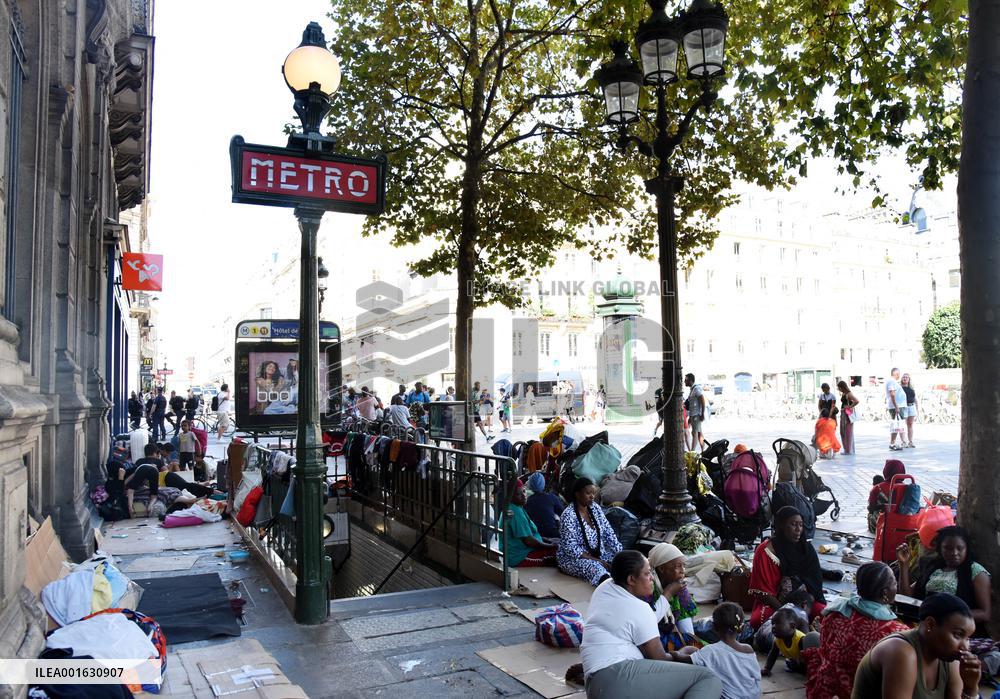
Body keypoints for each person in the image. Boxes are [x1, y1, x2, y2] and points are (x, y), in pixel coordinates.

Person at [579, 550, 722, 698]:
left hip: (595, 684)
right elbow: (659, 658)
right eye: (647, 574)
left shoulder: (605, 588)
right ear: (631, 579)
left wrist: (667, 595)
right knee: (708, 678)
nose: (652, 578)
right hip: (619, 678)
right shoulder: (639, 608)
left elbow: (644, 623)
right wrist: (680, 654)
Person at [804, 561, 910, 699]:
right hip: (857, 693)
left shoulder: (835, 613)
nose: (896, 588)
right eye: (895, 583)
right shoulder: (895, 633)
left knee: (811, 638)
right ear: (885, 592)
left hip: (826, 689)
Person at [851, 592, 981, 699]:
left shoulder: (949, 658)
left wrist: (971, 687)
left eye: (968, 638)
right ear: (930, 624)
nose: (965, 646)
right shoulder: (900, 652)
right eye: (958, 635)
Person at [897, 526, 992, 633]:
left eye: (960, 548)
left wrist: (947, 617)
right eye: (948, 548)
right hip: (927, 627)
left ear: (966, 548)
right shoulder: (933, 568)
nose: (954, 552)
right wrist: (903, 565)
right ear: (940, 549)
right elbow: (907, 596)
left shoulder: (975, 571)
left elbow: (985, 613)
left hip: (958, 631)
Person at [749, 506, 826, 629]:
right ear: (781, 526)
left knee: (826, 615)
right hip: (775, 603)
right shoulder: (765, 551)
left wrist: (804, 607)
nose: (798, 530)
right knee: (759, 621)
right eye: (793, 524)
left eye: (801, 525)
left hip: (804, 601)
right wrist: (786, 611)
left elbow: (814, 583)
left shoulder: (806, 549)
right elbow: (762, 592)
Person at [668, 603, 761, 699]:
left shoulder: (711, 651)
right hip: (752, 695)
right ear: (741, 628)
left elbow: (685, 659)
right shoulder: (748, 649)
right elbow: (756, 676)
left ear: (713, 627)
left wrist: (675, 654)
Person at [557, 478, 622, 586]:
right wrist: (599, 561)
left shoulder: (595, 508)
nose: (592, 496)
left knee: (622, 562)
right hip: (574, 559)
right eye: (588, 493)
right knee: (595, 568)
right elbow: (571, 549)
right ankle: (609, 588)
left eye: (594, 493)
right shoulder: (568, 515)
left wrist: (620, 554)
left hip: (598, 555)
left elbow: (608, 532)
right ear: (577, 494)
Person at [646, 543, 701, 651]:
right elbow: (650, 623)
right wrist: (669, 592)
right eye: (677, 566)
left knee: (694, 643)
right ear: (661, 569)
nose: (682, 570)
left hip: (673, 629)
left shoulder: (679, 587)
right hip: (655, 637)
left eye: (683, 566)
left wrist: (690, 641)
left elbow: (684, 618)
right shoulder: (649, 590)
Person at [499, 480, 558, 567]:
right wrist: (550, 546)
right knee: (561, 555)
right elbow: (529, 541)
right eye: (518, 494)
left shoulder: (517, 507)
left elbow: (530, 534)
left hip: (525, 550)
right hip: (518, 557)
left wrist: (548, 540)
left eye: (523, 491)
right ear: (510, 496)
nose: (524, 496)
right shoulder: (514, 511)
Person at [761, 607, 819, 675]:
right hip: (795, 659)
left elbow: (809, 658)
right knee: (791, 663)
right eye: (772, 623)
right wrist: (767, 668)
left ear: (792, 626)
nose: (773, 627)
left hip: (807, 661)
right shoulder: (778, 640)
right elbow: (773, 655)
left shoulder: (800, 640)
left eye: (777, 623)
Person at [867, 459, 907, 532]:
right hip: (902, 525)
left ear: (886, 471)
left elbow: (871, 508)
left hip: (881, 527)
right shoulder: (908, 488)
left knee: (871, 514)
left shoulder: (877, 488)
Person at [523, 472, 564, 539]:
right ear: (544, 484)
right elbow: (563, 513)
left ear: (530, 485)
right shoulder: (552, 497)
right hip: (553, 533)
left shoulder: (527, 501)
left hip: (536, 534)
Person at [885, 367, 907, 451]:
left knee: (897, 426)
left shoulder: (893, 381)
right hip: (896, 407)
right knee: (896, 425)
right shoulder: (891, 381)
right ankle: (892, 443)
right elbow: (892, 394)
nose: (899, 375)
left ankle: (893, 443)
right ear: (896, 374)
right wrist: (896, 407)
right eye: (899, 374)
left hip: (897, 406)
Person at [684, 374, 707, 451]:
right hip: (693, 415)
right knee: (699, 433)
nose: (684, 381)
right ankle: (703, 451)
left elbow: (702, 401)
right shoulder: (692, 389)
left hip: (696, 415)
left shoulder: (696, 389)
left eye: (686, 380)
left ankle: (692, 452)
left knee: (695, 433)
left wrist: (702, 414)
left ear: (690, 380)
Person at [837, 380, 860, 455]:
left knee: (848, 432)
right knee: (843, 432)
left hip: (847, 415)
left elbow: (856, 401)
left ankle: (848, 450)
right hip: (844, 414)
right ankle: (847, 449)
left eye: (839, 387)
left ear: (842, 387)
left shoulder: (848, 394)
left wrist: (849, 407)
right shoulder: (844, 393)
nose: (838, 389)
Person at [902, 373, 919, 448]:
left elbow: (915, 399)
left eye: (907, 377)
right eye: (904, 377)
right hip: (904, 407)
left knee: (910, 425)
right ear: (902, 379)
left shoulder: (912, 388)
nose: (905, 378)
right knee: (902, 425)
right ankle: (903, 442)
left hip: (912, 407)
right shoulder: (900, 388)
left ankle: (910, 442)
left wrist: (917, 409)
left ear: (909, 379)